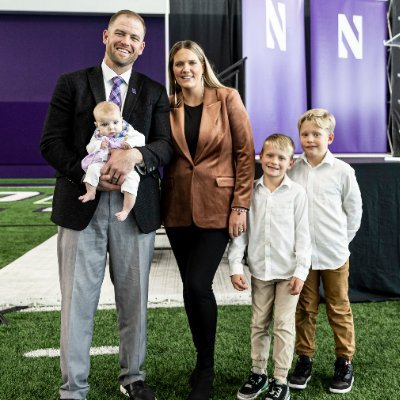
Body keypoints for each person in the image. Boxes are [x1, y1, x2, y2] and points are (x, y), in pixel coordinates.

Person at [40, 10, 173, 400]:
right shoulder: (72, 84)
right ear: (105, 35)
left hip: (135, 211)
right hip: (83, 207)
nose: (126, 42)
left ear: (142, 47)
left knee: (134, 302)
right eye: (120, 33)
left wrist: (135, 156)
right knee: (78, 303)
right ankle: (73, 389)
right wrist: (88, 175)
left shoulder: (152, 91)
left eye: (134, 37)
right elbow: (50, 143)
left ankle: (133, 377)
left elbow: (165, 145)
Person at [161, 40, 255, 400]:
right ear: (173, 71)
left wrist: (240, 206)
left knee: (199, 284)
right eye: (177, 65)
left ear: (203, 65)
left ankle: (206, 368)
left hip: (219, 206)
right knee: (190, 288)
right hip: (177, 208)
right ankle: (201, 363)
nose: (184, 69)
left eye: (190, 63)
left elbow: (245, 153)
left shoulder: (227, 97)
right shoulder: (168, 104)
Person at [228, 134, 312, 400]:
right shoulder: (250, 191)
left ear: (290, 163)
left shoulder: (297, 194)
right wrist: (235, 266)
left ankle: (281, 379)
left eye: (281, 158)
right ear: (260, 157)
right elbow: (240, 232)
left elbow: (304, 236)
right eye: (269, 155)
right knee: (258, 323)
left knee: (284, 324)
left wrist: (301, 272)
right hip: (260, 272)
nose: (274, 161)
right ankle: (258, 373)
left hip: (289, 274)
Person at [287, 108, 362, 394]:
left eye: (316, 134)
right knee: (304, 309)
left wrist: (342, 242)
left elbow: (354, 211)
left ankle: (344, 361)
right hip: (303, 258)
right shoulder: (292, 170)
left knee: (339, 308)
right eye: (305, 134)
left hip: (334, 254)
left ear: (329, 137)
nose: (309, 139)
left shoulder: (342, 171)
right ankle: (304, 359)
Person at [80, 101, 145, 221]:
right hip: (103, 163)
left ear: (121, 119)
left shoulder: (127, 130)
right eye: (104, 124)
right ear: (97, 125)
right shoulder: (98, 135)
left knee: (133, 180)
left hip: (125, 167)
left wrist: (130, 143)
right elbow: (89, 148)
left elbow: (141, 138)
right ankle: (91, 192)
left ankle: (126, 209)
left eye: (115, 122)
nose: (111, 127)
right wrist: (99, 145)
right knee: (92, 169)